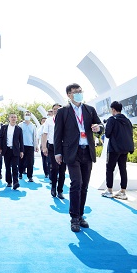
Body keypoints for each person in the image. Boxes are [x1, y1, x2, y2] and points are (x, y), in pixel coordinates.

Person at [54, 83, 103, 233]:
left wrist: (98, 128)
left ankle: (81, 215)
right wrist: (57, 152)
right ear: (69, 95)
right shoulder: (63, 112)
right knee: (76, 183)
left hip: (87, 151)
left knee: (84, 185)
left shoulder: (89, 109)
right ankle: (74, 217)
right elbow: (58, 133)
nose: (79, 94)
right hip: (72, 152)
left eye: (80, 91)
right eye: (75, 92)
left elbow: (100, 125)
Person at [102, 101, 134, 200]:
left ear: (113, 109)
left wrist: (106, 126)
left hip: (114, 148)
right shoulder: (127, 120)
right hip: (125, 148)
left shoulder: (112, 119)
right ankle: (123, 192)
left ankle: (109, 190)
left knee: (109, 169)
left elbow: (107, 134)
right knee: (123, 169)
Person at [41, 104, 66, 199]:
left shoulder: (65, 119)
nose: (56, 110)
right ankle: (53, 187)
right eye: (54, 109)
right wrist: (44, 147)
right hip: (52, 147)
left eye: (58, 109)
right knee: (54, 168)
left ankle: (60, 191)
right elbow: (45, 134)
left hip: (64, 147)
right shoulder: (48, 121)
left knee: (62, 170)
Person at [0, 113, 24, 190]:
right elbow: (0, 138)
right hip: (6, 150)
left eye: (15, 117)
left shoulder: (19, 129)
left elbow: (21, 141)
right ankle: (9, 181)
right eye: (12, 117)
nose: (13, 118)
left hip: (15, 150)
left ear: (17, 119)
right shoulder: (4, 128)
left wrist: (21, 151)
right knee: (7, 166)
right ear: (9, 118)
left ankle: (15, 182)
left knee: (15, 166)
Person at [18, 111, 37, 182]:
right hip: (22, 145)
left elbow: (34, 136)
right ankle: (20, 173)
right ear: (24, 116)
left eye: (29, 114)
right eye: (26, 114)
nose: (27, 116)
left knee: (30, 162)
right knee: (21, 160)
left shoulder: (33, 125)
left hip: (30, 146)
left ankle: (30, 176)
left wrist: (36, 146)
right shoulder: (20, 125)